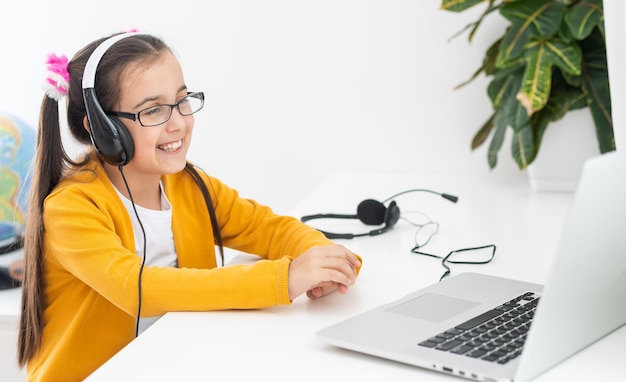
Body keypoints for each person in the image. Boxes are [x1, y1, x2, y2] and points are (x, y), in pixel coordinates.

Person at [17, 31, 362, 381]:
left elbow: (267, 228)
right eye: (153, 110)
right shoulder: (72, 207)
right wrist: (284, 279)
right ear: (103, 129)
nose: (178, 122)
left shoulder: (188, 185)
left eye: (182, 101)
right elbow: (137, 289)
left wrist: (323, 259)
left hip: (176, 363)